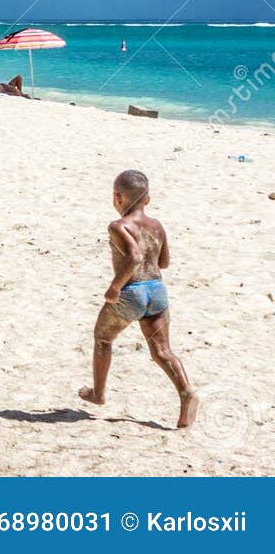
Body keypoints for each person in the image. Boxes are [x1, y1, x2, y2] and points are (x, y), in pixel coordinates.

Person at [78, 170, 197, 429]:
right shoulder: (157, 226)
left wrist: (114, 287)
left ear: (117, 197)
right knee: (162, 351)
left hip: (133, 292)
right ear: (148, 199)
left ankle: (98, 394)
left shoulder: (118, 226)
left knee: (102, 338)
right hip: (157, 291)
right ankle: (186, 392)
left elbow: (133, 258)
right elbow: (163, 262)